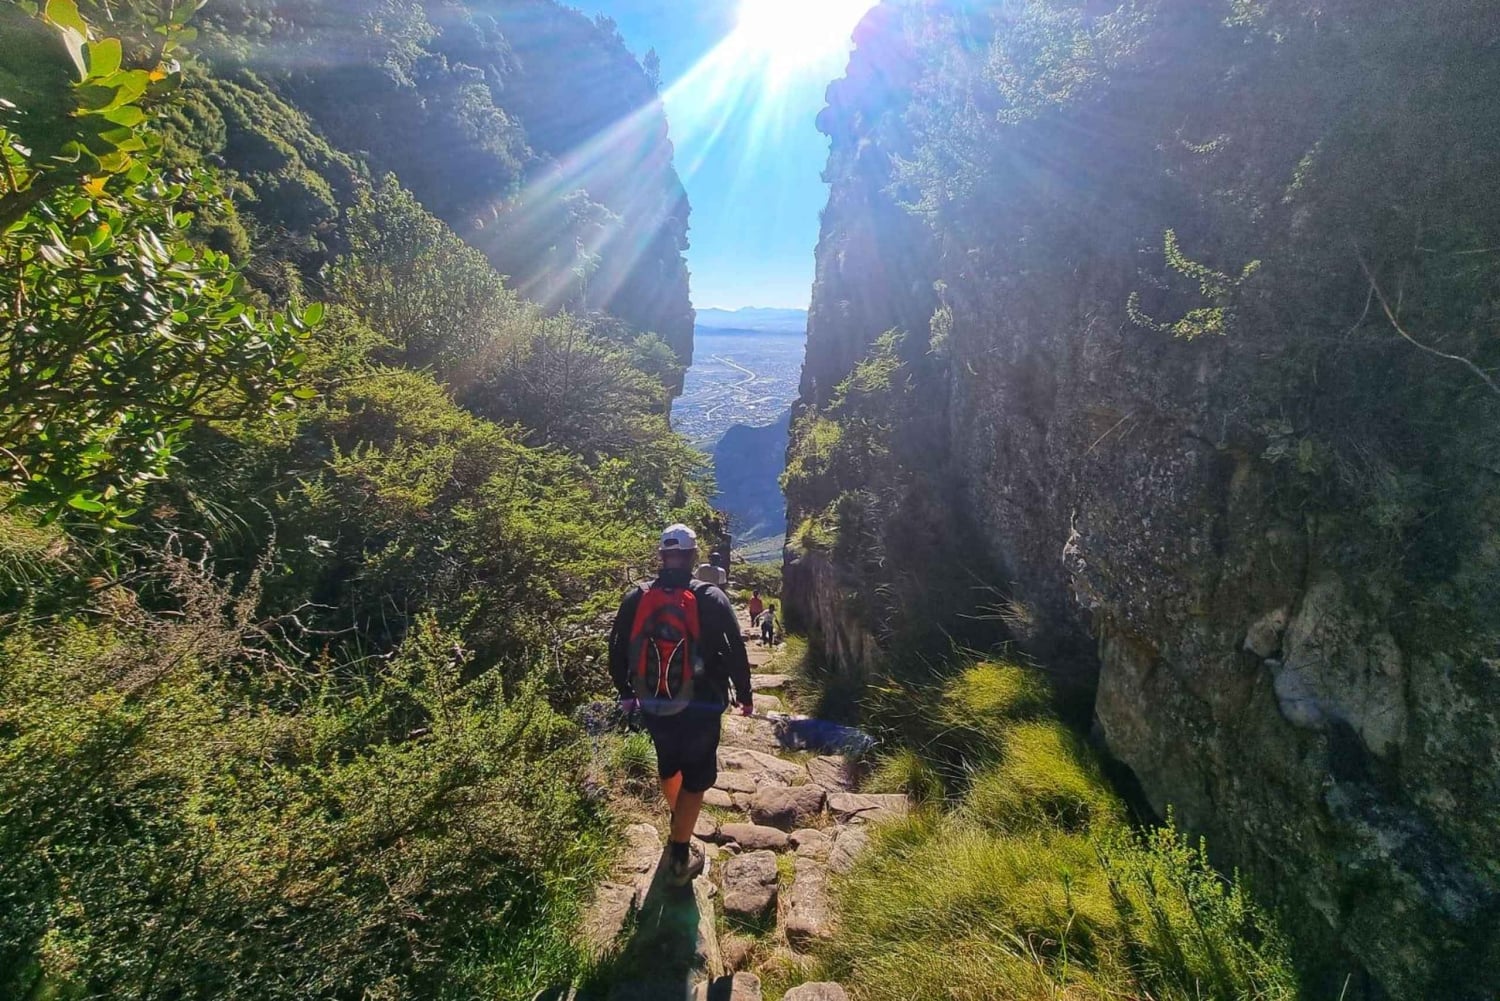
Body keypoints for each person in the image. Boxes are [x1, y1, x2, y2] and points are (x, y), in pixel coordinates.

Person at [610, 523, 753, 886]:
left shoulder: (637, 596)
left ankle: (679, 824)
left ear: (662, 556)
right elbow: (736, 649)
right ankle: (679, 853)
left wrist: (626, 692)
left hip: (654, 699)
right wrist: (745, 694)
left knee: (668, 761)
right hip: (701, 702)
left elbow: (616, 647)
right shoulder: (709, 596)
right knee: (698, 774)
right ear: (692, 557)